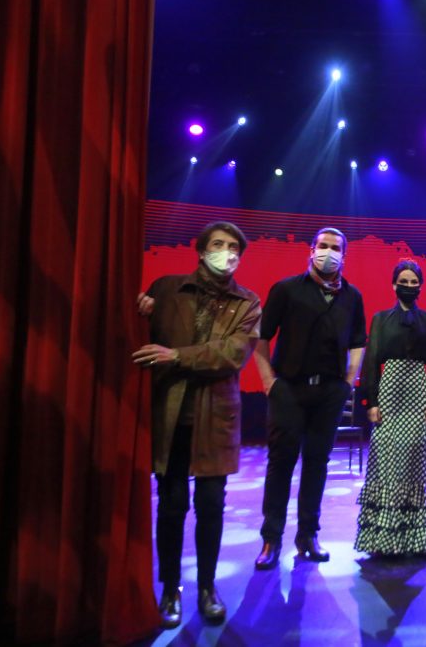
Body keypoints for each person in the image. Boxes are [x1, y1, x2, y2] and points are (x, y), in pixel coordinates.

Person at [133, 221, 261, 627]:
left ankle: (207, 587)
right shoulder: (168, 288)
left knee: (211, 506)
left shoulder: (247, 302)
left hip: (216, 414)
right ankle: (170, 587)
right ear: (201, 250)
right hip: (170, 412)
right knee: (171, 506)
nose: (227, 252)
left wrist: (177, 356)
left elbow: (232, 354)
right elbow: (140, 337)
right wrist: (140, 312)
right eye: (219, 244)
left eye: (234, 247)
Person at [253, 227, 366, 570]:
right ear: (311, 249)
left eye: (335, 248)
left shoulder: (352, 296)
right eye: (323, 246)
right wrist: (268, 380)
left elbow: (359, 340)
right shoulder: (287, 289)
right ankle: (272, 539)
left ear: (344, 256)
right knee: (281, 464)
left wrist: (349, 381)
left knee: (317, 464)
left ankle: (308, 536)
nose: (328, 252)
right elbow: (261, 337)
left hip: (330, 391)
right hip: (288, 388)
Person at [354, 260, 426, 556]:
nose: (409, 286)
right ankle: (385, 537)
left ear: (420, 285)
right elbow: (371, 361)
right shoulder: (381, 318)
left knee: (417, 455)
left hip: (418, 391)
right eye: (403, 281)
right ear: (393, 284)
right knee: (387, 455)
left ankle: (418, 538)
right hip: (390, 391)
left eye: (414, 282)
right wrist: (371, 401)